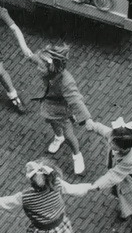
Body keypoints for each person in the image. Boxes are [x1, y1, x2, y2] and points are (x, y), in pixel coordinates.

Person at [28, 43, 90, 176]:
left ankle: (77, 155)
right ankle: (58, 137)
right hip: (49, 104)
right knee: (51, 122)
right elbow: (32, 57)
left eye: (41, 66)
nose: (38, 68)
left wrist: (87, 118)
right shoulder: (46, 67)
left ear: (51, 67)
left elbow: (75, 100)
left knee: (69, 135)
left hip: (62, 109)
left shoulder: (66, 81)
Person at [83, 117, 132, 226]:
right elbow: (104, 130)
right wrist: (93, 125)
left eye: (113, 145)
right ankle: (126, 211)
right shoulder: (115, 137)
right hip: (121, 177)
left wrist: (97, 185)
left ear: (123, 148)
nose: (110, 144)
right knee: (120, 194)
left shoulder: (130, 159)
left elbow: (114, 175)